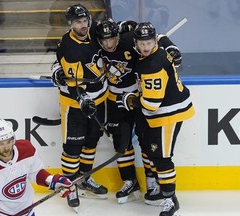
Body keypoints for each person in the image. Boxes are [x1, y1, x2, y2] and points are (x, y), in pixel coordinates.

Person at [95, 18, 182, 205]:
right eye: (105, 41)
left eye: (112, 39)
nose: (109, 44)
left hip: (138, 97)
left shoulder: (129, 40)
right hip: (115, 100)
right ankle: (130, 181)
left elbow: (155, 37)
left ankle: (152, 183)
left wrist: (170, 46)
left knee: (147, 141)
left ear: (118, 35)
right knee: (121, 143)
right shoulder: (96, 45)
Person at [116, 22, 195, 216]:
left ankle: (170, 200)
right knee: (155, 153)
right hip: (164, 111)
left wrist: (130, 100)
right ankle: (162, 191)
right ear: (136, 42)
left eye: (149, 42)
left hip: (167, 115)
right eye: (142, 43)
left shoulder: (152, 65)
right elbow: (161, 38)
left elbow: (151, 104)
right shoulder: (157, 50)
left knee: (161, 157)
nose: (145, 47)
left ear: (153, 42)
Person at [51, 3, 109, 210]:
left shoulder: (94, 32)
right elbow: (75, 85)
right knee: (72, 148)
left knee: (91, 142)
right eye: (78, 22)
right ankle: (70, 187)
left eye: (85, 21)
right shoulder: (69, 46)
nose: (83, 25)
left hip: (100, 99)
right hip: (75, 104)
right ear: (71, 24)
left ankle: (84, 178)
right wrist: (82, 99)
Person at [0, 119, 74, 216]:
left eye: (9, 142)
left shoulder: (27, 149)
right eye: (1, 144)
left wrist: (52, 181)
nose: (6, 148)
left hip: (27, 211)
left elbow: (35, 172)